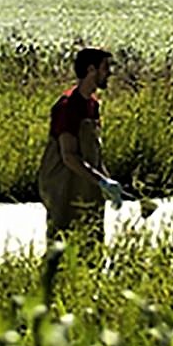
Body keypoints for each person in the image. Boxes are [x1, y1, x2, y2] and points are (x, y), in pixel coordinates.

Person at [37, 47, 123, 246]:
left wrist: (108, 181)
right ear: (91, 70)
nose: (109, 73)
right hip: (63, 185)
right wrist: (102, 182)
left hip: (87, 184)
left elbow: (93, 150)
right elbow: (69, 156)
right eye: (105, 67)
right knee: (63, 244)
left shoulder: (93, 105)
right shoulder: (68, 106)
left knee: (92, 242)